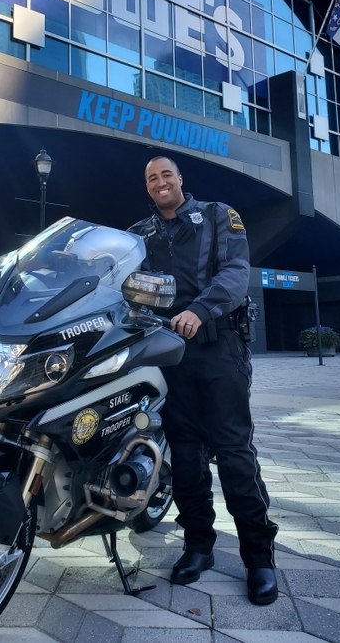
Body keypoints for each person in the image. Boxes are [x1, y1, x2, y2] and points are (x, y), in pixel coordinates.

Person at [128, 156, 279, 606]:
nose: (160, 182)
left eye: (166, 175)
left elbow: (235, 274)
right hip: (168, 354)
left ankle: (259, 557)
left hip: (218, 346)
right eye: (151, 178)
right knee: (186, 456)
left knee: (233, 453)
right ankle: (198, 546)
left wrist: (199, 309)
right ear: (147, 187)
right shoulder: (139, 234)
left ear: (180, 179)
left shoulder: (217, 215)